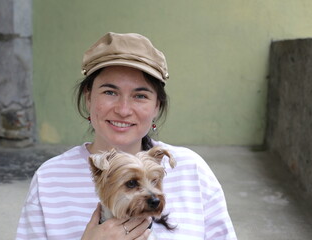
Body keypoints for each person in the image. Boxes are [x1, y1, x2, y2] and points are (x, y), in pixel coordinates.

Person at [16, 32, 237, 240]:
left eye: (140, 95)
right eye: (110, 92)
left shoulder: (191, 171)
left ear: (157, 106)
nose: (123, 109)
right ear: (89, 98)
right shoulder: (50, 179)